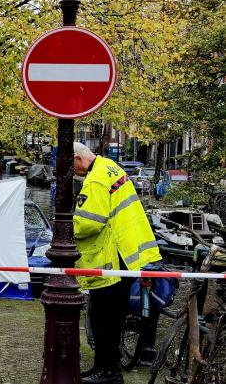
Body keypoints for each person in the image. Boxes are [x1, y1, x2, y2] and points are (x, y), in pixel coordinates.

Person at [72, 142, 162, 384]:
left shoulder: (95, 180)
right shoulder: (109, 167)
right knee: (110, 319)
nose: (73, 171)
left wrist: (68, 227)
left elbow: (90, 221)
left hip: (112, 260)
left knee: (104, 320)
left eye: (71, 165)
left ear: (78, 159)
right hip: (129, 254)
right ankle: (103, 367)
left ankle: (108, 373)